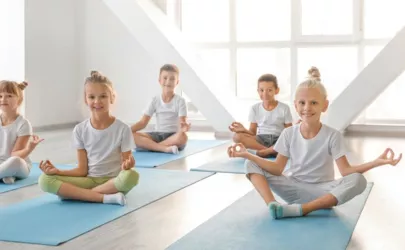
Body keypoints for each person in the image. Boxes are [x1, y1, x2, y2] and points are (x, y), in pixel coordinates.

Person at [228, 67, 402, 219]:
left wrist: (377, 162)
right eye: (302, 103)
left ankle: (302, 210)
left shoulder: (333, 135)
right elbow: (277, 169)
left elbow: (346, 171)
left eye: (313, 103)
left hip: (324, 192)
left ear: (324, 106)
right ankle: (274, 206)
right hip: (293, 188)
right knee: (250, 163)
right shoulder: (288, 133)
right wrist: (246, 154)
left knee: (358, 180)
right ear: (296, 106)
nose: (307, 108)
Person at [38, 71, 139, 206]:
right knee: (45, 180)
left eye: (103, 96)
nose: (97, 101)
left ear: (112, 98)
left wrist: (128, 166)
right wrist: (57, 171)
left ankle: (76, 195)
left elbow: (125, 166)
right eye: (92, 97)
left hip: (113, 182)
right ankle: (104, 198)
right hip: (89, 180)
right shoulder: (80, 130)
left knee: (132, 176)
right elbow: (82, 170)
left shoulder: (123, 129)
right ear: (86, 99)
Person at [132, 64, 189, 154]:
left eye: (172, 79)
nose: (168, 81)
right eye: (165, 78)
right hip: (157, 135)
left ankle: (152, 147)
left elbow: (183, 122)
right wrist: (125, 131)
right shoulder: (155, 100)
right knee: (131, 136)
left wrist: (184, 128)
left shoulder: (180, 101)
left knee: (183, 137)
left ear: (177, 82)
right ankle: (164, 148)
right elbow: (142, 123)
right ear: (159, 80)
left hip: (173, 136)